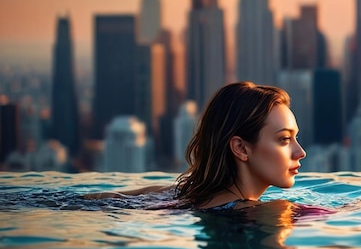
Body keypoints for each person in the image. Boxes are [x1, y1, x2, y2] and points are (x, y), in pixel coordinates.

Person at [85, 81, 307, 211]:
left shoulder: (181, 193)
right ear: (240, 148)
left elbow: (105, 198)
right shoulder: (260, 214)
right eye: (284, 140)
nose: (300, 152)